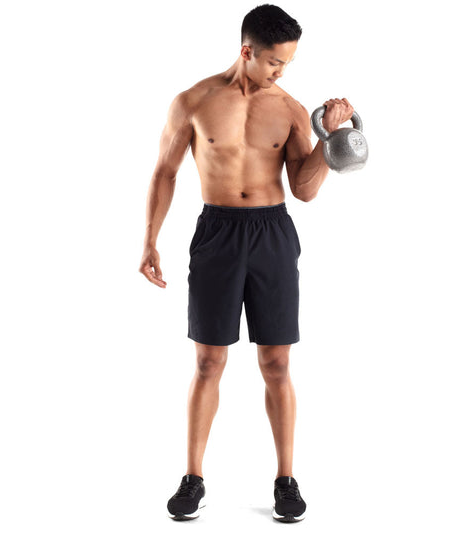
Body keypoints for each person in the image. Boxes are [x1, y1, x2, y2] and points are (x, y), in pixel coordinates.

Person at [139, 3, 354, 523]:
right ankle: (193, 479)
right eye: (276, 62)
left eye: (289, 63)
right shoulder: (193, 101)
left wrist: (329, 140)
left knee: (277, 363)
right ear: (247, 51)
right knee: (208, 362)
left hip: (271, 233)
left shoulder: (291, 110)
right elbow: (165, 172)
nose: (282, 72)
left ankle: (286, 481)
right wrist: (150, 240)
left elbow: (304, 190)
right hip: (216, 233)